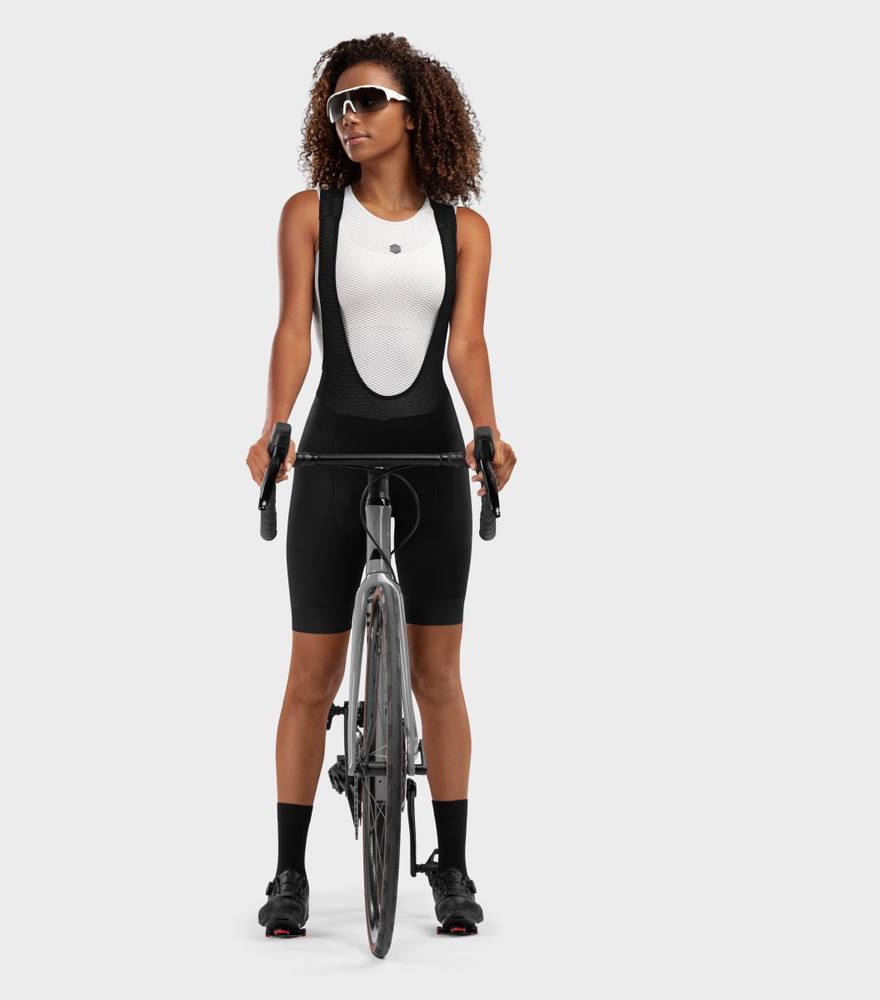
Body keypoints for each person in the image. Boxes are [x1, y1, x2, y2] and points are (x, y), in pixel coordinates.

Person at [245, 32, 516, 938]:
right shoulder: (311, 216)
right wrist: (275, 427)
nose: (348, 117)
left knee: (438, 673)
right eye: (336, 105)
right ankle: (288, 872)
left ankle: (453, 868)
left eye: (365, 100)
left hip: (431, 455)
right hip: (334, 452)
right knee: (309, 675)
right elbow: (294, 331)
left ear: (414, 111)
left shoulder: (464, 231)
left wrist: (488, 432)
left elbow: (467, 344)